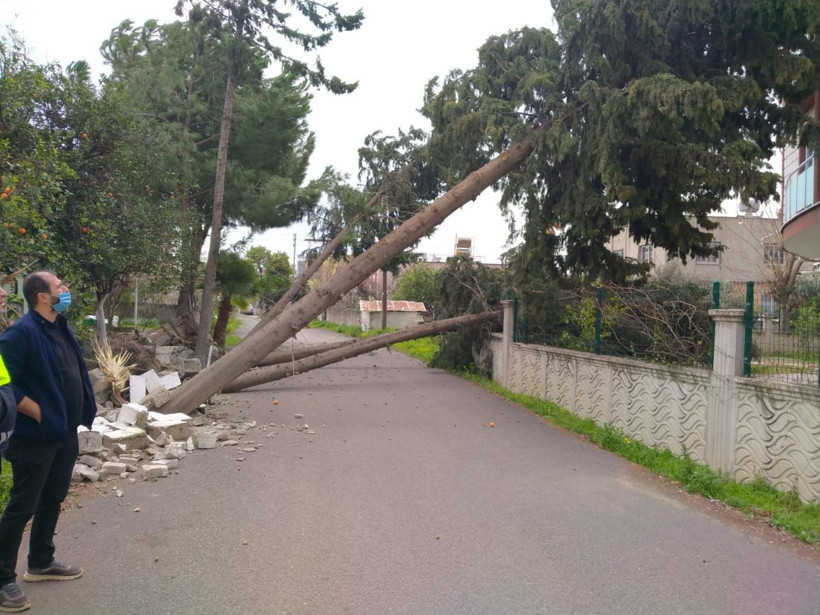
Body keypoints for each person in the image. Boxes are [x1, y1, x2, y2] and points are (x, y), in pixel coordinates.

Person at [0, 272, 96, 613]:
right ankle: (2, 580)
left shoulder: (60, 325)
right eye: (59, 287)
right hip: (34, 436)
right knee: (22, 505)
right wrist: (35, 410)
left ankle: (40, 561)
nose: (65, 290)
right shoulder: (19, 334)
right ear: (41, 296)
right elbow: (5, 382)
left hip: (64, 431)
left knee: (53, 498)